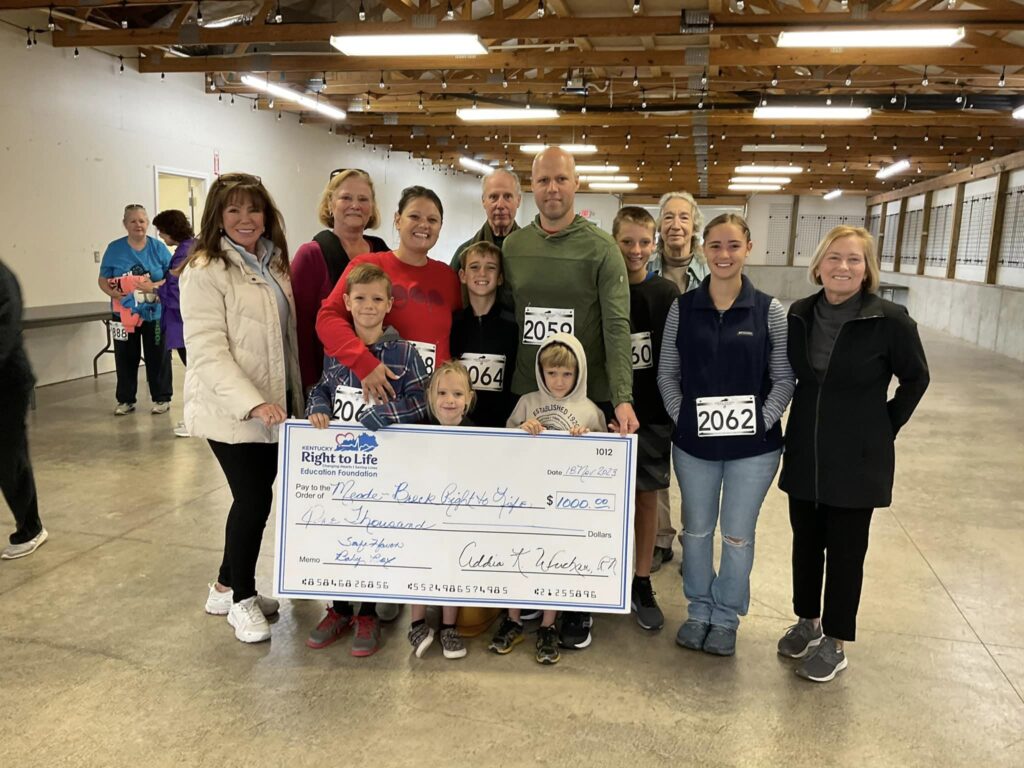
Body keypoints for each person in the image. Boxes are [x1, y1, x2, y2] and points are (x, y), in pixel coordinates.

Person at [777, 226, 929, 683]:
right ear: (819, 265)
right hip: (806, 448)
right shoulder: (800, 313)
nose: (843, 267)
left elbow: (916, 379)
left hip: (859, 458)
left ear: (867, 270)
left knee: (846, 552)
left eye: (854, 260)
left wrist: (885, 425)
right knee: (806, 544)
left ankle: (837, 640)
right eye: (835, 258)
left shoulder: (890, 319)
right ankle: (808, 620)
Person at [658, 214, 794, 657]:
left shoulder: (769, 310)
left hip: (752, 451)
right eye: (715, 246)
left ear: (748, 248)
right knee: (696, 531)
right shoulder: (682, 308)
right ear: (702, 249)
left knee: (737, 535)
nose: (723, 254)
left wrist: (763, 421)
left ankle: (726, 616)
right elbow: (667, 374)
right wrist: (683, 420)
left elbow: (783, 378)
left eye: (733, 245)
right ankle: (698, 609)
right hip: (695, 447)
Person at [179, 173, 303, 644]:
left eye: (253, 209)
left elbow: (283, 341)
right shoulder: (206, 269)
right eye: (234, 210)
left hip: (275, 408)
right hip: (232, 411)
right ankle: (243, 601)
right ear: (217, 217)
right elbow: (207, 349)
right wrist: (251, 402)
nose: (245, 218)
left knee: (254, 495)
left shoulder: (273, 262)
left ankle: (224, 585)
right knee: (254, 499)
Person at [304, 263, 430, 656]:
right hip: (343, 467)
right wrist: (317, 407)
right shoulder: (336, 351)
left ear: (390, 304)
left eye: (377, 299)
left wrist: (386, 416)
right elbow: (322, 388)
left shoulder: (404, 353)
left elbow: (423, 402)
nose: (368, 306)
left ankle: (371, 613)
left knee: (375, 537)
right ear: (346, 302)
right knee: (342, 534)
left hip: (387, 469)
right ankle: (340, 607)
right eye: (360, 299)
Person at [496, 333, 606, 663]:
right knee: (519, 553)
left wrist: (586, 440)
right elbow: (503, 444)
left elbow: (605, 459)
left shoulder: (589, 411)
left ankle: (548, 625)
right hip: (526, 500)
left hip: (566, 508)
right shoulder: (528, 403)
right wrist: (521, 431)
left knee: (557, 560)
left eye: (567, 374)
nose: (558, 381)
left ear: (580, 373)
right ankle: (513, 619)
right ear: (541, 371)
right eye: (552, 373)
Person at [317, 185, 461, 405]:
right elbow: (328, 319)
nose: (424, 225)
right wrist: (364, 363)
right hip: (385, 396)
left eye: (432, 220)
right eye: (414, 216)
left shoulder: (448, 277)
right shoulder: (368, 265)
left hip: (436, 404)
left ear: (441, 227)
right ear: (397, 220)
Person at [612, 207, 679, 631]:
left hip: (652, 413)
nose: (635, 250)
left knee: (646, 496)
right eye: (627, 242)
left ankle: (641, 581)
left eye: (643, 242)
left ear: (653, 245)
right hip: (608, 410)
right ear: (614, 242)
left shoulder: (667, 293)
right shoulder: (604, 286)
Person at [649, 191, 710, 573]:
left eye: (683, 218)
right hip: (654, 380)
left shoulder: (711, 272)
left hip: (698, 385)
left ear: (694, 226)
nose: (675, 224)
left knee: (695, 470)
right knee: (656, 469)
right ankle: (658, 540)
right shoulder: (641, 267)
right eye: (668, 217)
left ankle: (696, 541)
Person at [292, 169, 389, 393]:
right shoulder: (311, 255)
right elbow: (301, 330)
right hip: (329, 379)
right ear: (330, 203)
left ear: (372, 207)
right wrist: (312, 386)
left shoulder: (382, 252)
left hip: (379, 377)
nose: (355, 205)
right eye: (346, 197)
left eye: (363, 199)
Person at [407, 360, 478, 660]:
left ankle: (449, 626)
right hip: (424, 518)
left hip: (459, 520)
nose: (450, 400)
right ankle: (417, 623)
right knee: (421, 564)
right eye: (443, 393)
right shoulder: (417, 432)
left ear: (469, 400)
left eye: (458, 395)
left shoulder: (480, 435)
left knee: (453, 568)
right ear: (430, 397)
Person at [97, 204, 173, 416]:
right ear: (125, 224)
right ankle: (126, 400)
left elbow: (172, 276)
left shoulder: (158, 248)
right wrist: (113, 294)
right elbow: (102, 279)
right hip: (123, 314)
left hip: (154, 312)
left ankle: (162, 397)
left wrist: (155, 287)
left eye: (142, 221)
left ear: (147, 223)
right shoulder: (114, 249)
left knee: (158, 355)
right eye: (133, 221)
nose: (138, 225)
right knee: (124, 356)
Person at [0, 259, 46, 560]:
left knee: (8, 458)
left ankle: (30, 528)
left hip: (7, 383)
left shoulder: (2, 278)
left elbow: (6, 328)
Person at [450, 242, 519, 428]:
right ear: (463, 276)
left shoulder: (514, 325)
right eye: (474, 267)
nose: (482, 273)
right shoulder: (454, 325)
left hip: (504, 426)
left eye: (491, 268)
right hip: (460, 424)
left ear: (500, 278)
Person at [152, 209, 195, 437]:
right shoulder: (190, 247)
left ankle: (194, 422)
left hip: (183, 323)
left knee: (195, 375)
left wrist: (154, 289)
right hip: (184, 323)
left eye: (161, 231)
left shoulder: (184, 253)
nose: (160, 236)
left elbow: (179, 292)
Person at [449, 169, 522, 273]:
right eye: (493, 197)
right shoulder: (464, 253)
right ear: (483, 201)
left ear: (518, 200)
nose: (500, 205)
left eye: (507, 196)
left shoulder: (531, 251)